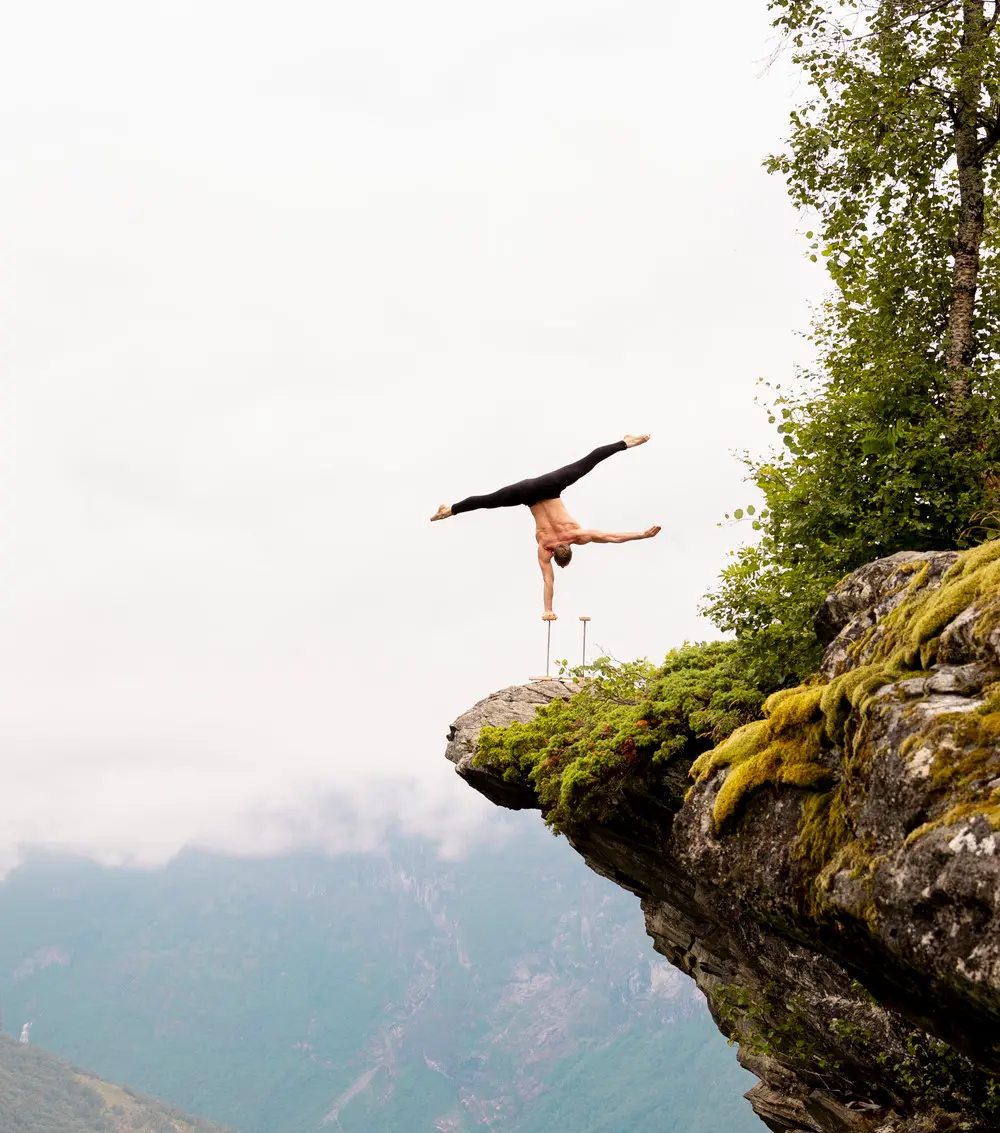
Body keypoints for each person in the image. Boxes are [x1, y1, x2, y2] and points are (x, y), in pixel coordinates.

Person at [430, 434, 660, 620]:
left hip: (548, 486)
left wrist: (642, 535)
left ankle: (626, 442)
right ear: (556, 555)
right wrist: (546, 610)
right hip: (526, 493)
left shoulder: (576, 536)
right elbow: (549, 580)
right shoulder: (545, 546)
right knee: (487, 501)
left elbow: (612, 537)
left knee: (586, 464)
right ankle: (449, 510)